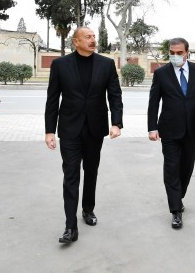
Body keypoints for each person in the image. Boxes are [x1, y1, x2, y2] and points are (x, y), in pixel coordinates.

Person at [44, 27, 123, 244]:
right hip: (70, 128)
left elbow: (115, 95)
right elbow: (53, 99)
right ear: (76, 42)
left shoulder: (106, 64)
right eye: (87, 37)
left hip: (95, 128)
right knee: (70, 174)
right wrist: (49, 130)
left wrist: (116, 123)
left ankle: (88, 209)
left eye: (94, 37)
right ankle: (71, 226)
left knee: (91, 171)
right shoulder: (60, 65)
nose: (93, 40)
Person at [148, 37, 195, 229]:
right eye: (172, 53)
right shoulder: (161, 73)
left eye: (179, 53)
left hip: (191, 128)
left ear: (187, 53)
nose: (175, 56)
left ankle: (178, 195)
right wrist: (152, 127)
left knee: (186, 167)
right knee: (171, 168)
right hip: (168, 129)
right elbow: (153, 102)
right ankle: (175, 210)